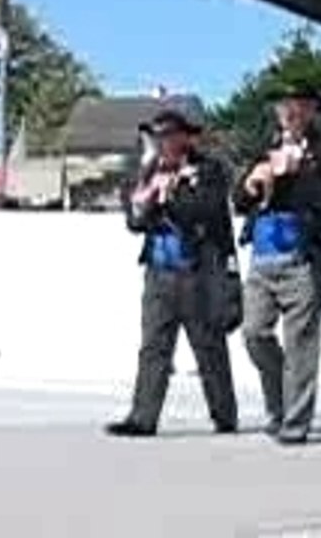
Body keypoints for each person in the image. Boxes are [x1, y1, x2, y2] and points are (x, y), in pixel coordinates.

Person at [106, 109, 239, 437]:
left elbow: (206, 210)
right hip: (159, 271)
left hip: (198, 272)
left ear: (184, 137)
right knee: (154, 346)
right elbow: (135, 220)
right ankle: (143, 417)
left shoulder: (208, 170)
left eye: (168, 135)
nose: (161, 142)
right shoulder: (148, 170)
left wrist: (172, 195)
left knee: (208, 346)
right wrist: (148, 197)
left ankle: (224, 413)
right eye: (157, 136)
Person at [233, 84, 321, 445]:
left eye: (298, 106)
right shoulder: (264, 148)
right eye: (284, 107)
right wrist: (251, 184)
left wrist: (296, 175)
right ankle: (280, 401)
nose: (290, 113)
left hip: (303, 257)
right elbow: (238, 201)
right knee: (254, 333)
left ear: (312, 111)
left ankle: (295, 422)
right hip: (263, 256)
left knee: (301, 343)